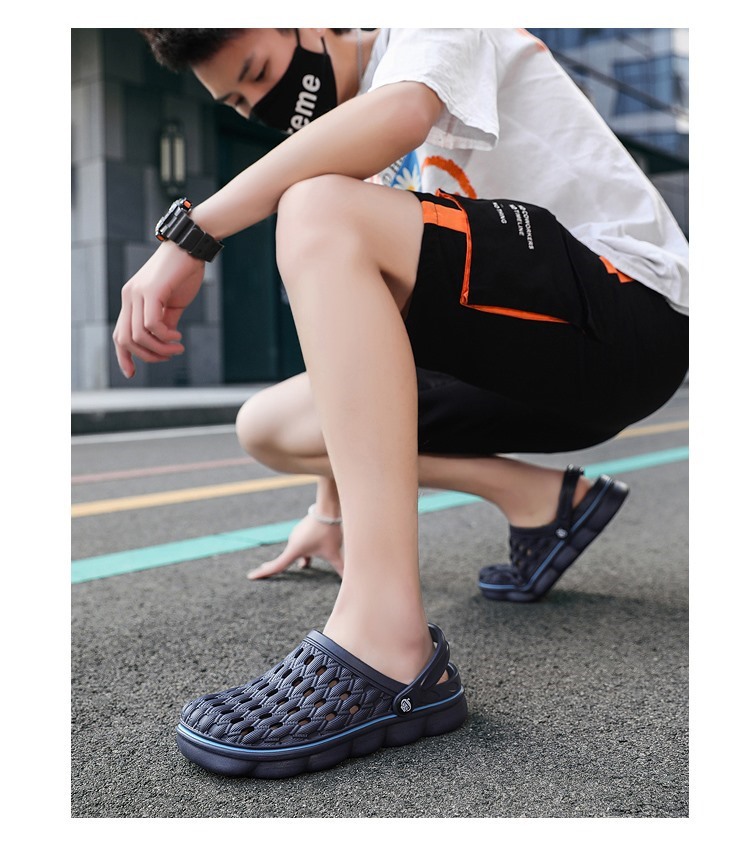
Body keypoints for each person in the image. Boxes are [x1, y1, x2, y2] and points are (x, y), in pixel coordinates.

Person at [115, 28, 689, 778]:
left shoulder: (425, 26)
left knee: (316, 206)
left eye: (256, 72)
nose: (260, 104)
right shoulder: (357, 162)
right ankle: (542, 500)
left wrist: (191, 235)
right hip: (527, 371)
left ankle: (387, 639)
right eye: (238, 103)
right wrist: (328, 512)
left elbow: (401, 113)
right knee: (270, 425)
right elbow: (363, 353)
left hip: (630, 313)